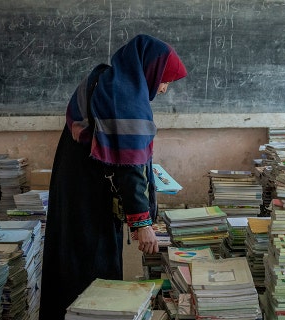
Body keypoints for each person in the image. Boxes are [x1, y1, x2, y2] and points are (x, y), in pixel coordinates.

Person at [38, 34, 187, 320]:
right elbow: (128, 167)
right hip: (91, 197)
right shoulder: (126, 98)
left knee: (69, 261)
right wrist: (142, 223)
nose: (165, 88)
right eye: (165, 79)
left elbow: (117, 150)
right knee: (94, 271)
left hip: (73, 187)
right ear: (150, 71)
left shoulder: (105, 81)